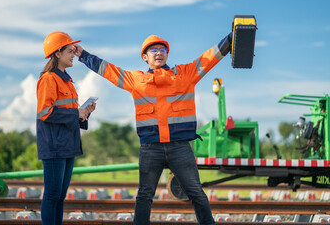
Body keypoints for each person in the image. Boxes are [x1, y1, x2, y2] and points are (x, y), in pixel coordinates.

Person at [74, 32, 232, 225]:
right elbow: (108, 70)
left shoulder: (185, 74)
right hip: (151, 148)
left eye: (162, 49)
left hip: (180, 147)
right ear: (145, 57)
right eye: (154, 50)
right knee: (144, 195)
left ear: (167, 54)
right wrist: (83, 55)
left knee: (196, 192)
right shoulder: (135, 80)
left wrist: (232, 39)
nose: (159, 53)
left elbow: (209, 58)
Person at [36, 31, 96, 225]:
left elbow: (70, 114)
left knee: (60, 196)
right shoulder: (48, 79)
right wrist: (76, 113)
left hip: (68, 144)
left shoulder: (67, 81)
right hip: (54, 146)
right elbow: (45, 113)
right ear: (57, 53)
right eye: (69, 51)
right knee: (52, 195)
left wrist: (84, 113)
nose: (73, 55)